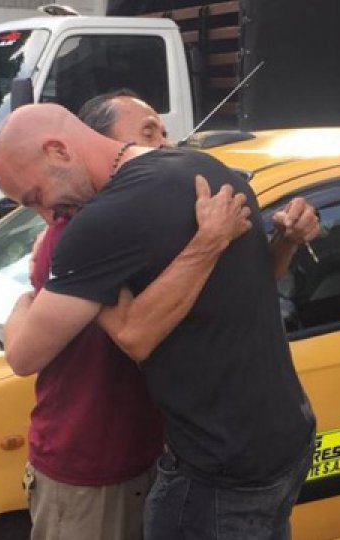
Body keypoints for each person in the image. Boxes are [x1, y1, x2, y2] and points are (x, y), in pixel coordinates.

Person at [0, 102, 319, 540]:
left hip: (218, 465)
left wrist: (22, 302)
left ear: (58, 150)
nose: (48, 215)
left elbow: (127, 337)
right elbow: (255, 281)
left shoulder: (97, 224)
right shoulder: (211, 171)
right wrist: (247, 242)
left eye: (36, 197)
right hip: (285, 439)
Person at [22, 91, 252, 540]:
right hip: (89, 467)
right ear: (100, 143)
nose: (164, 144)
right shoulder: (78, 232)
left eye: (164, 132)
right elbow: (134, 333)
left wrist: (279, 240)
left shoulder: (168, 221)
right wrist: (209, 242)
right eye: (148, 132)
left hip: (154, 455)